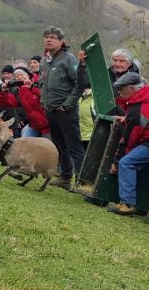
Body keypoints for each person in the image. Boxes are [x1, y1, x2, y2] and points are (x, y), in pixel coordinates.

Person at [107, 72, 149, 215]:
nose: (119, 92)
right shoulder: (146, 96)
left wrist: (116, 162)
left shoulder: (137, 109)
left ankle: (127, 203)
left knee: (126, 163)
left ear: (131, 88)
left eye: (121, 88)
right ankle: (145, 204)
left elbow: (129, 140)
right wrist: (127, 120)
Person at [40, 26, 85, 191]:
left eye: (52, 37)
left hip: (66, 111)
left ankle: (82, 182)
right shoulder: (44, 61)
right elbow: (42, 83)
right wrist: (43, 102)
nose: (48, 40)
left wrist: (67, 104)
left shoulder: (69, 59)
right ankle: (65, 178)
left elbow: (79, 84)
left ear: (61, 41)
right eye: (46, 37)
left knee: (74, 146)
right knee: (59, 145)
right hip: (50, 110)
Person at [0, 67, 49, 138]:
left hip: (49, 124)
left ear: (28, 75)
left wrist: (31, 87)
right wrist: (3, 92)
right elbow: (7, 103)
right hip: (34, 125)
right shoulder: (18, 92)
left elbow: (45, 96)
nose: (19, 77)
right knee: (24, 143)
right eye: (16, 76)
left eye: (21, 74)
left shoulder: (38, 84)